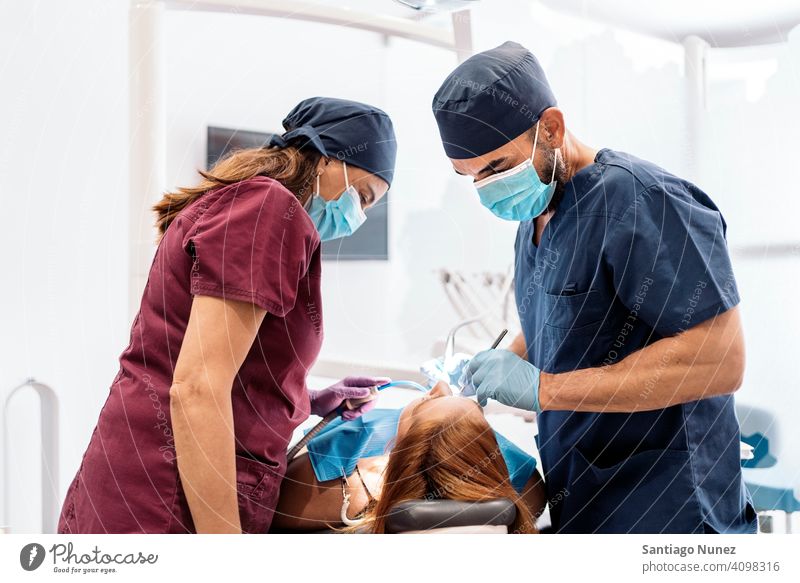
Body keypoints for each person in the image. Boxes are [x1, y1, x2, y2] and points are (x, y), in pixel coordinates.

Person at [431, 41, 755, 533]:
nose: (486, 189)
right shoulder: (535, 214)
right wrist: (499, 363)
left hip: (669, 506)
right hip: (585, 496)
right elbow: (562, 317)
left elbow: (720, 360)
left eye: (495, 168)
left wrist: (542, 388)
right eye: (469, 177)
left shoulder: (644, 201)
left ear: (552, 128)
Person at [58, 97, 397, 534]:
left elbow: (218, 360)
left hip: (149, 476)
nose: (360, 215)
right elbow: (197, 387)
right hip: (166, 493)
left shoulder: (251, 204)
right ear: (328, 158)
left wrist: (306, 400)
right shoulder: (268, 209)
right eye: (362, 196)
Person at [273, 382, 544, 533]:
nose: (440, 385)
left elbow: (266, 508)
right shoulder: (525, 486)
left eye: (426, 401)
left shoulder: (345, 485)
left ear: (400, 448)